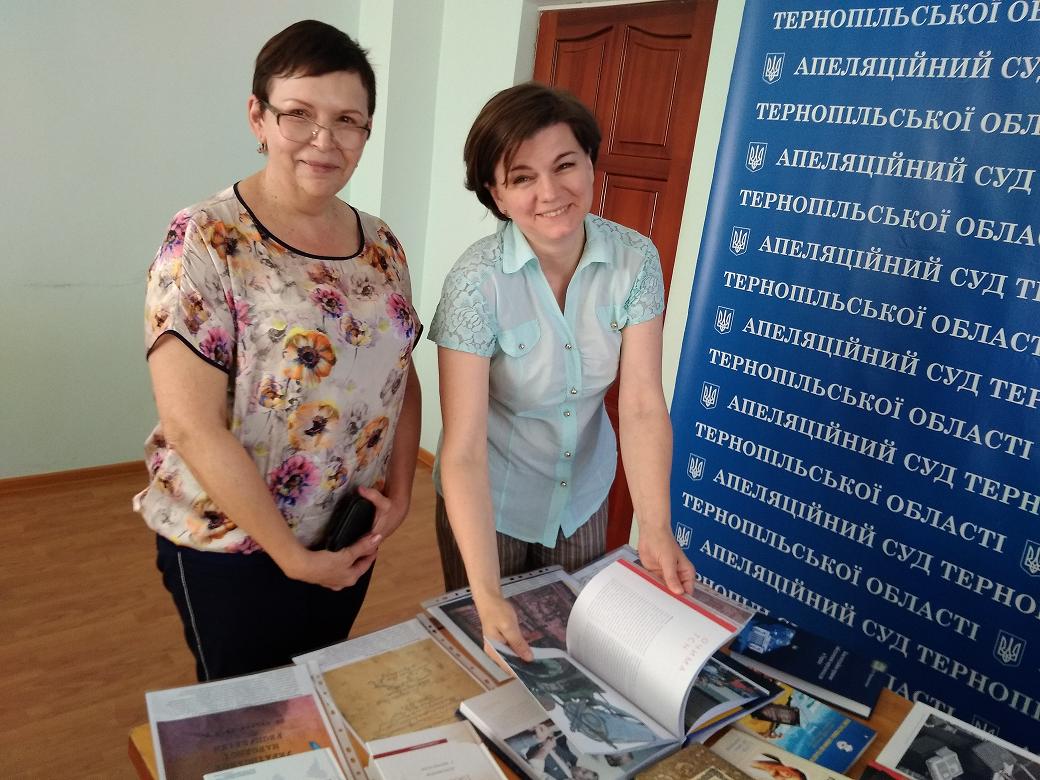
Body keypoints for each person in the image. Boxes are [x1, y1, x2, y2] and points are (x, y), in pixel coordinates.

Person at [135, 20, 421, 681]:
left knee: (311, 693)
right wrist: (292, 558)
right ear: (258, 117)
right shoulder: (206, 237)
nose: (324, 140)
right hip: (234, 547)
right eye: (299, 115)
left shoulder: (381, 245)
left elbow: (402, 373)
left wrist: (402, 494)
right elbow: (189, 424)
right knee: (247, 717)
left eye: (347, 120)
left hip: (346, 535)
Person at [429, 82, 694, 662]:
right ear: (498, 195)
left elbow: (642, 403)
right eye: (522, 177)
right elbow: (464, 448)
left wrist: (655, 527)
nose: (550, 192)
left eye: (565, 165)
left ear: (591, 164)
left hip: (582, 497)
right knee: (494, 654)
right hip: (490, 502)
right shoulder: (475, 284)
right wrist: (486, 593)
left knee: (577, 647)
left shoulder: (635, 260)